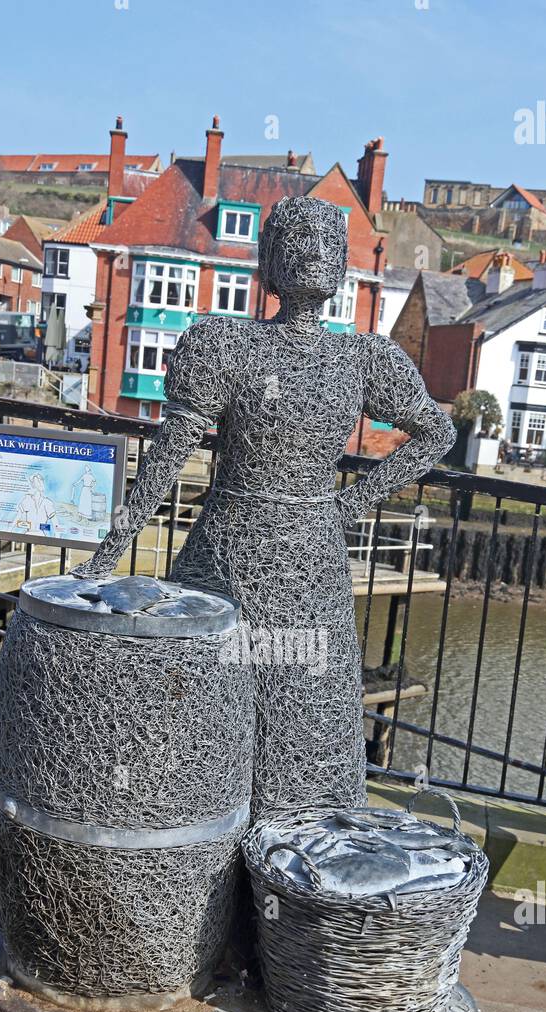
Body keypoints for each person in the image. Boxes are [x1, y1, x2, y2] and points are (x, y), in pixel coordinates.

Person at [75, 196, 455, 815]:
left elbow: (437, 432)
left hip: (307, 563)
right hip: (230, 553)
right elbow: (169, 456)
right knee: (200, 696)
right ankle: (192, 840)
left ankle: (286, 858)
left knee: (300, 711)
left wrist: (348, 503)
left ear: (340, 269)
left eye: (327, 245)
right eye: (297, 242)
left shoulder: (364, 359)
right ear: (269, 265)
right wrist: (108, 554)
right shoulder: (225, 345)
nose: (313, 254)